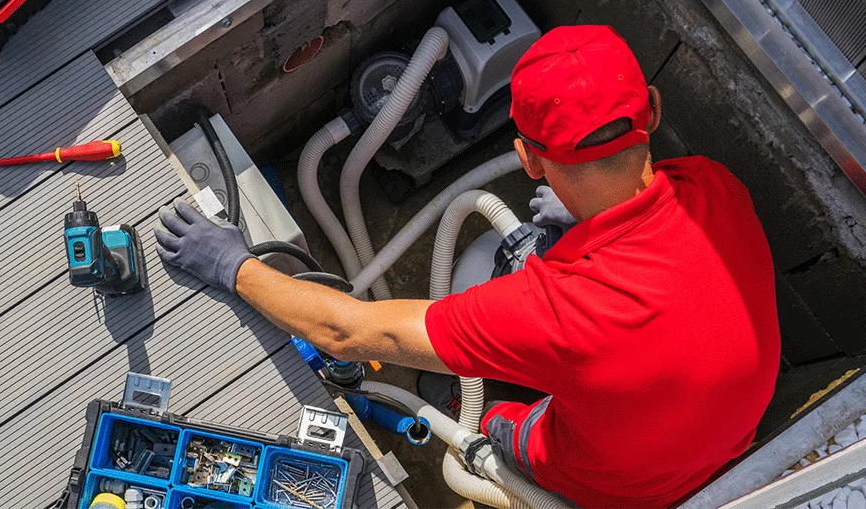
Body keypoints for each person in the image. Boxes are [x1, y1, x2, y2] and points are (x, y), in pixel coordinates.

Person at [156, 25, 780, 508]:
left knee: (502, 422)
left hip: (625, 488)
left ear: (530, 160)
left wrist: (233, 264)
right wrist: (575, 228)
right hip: (730, 439)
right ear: (653, 108)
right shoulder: (712, 186)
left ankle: (457, 395)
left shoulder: (556, 312)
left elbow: (344, 332)